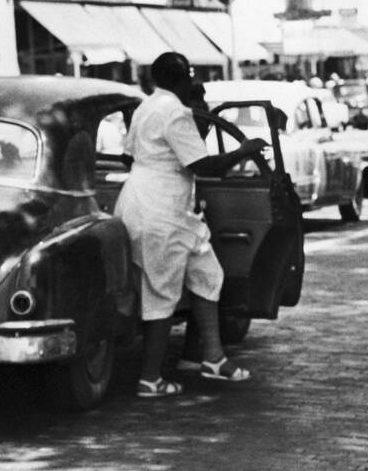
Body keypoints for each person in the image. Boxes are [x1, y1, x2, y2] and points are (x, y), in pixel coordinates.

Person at [115, 52, 268, 398]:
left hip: (146, 201)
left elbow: (129, 156)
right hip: (162, 210)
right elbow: (204, 166)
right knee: (161, 293)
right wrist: (244, 151)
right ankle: (150, 379)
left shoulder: (145, 107)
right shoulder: (175, 112)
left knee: (208, 274)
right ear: (184, 78)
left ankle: (212, 356)